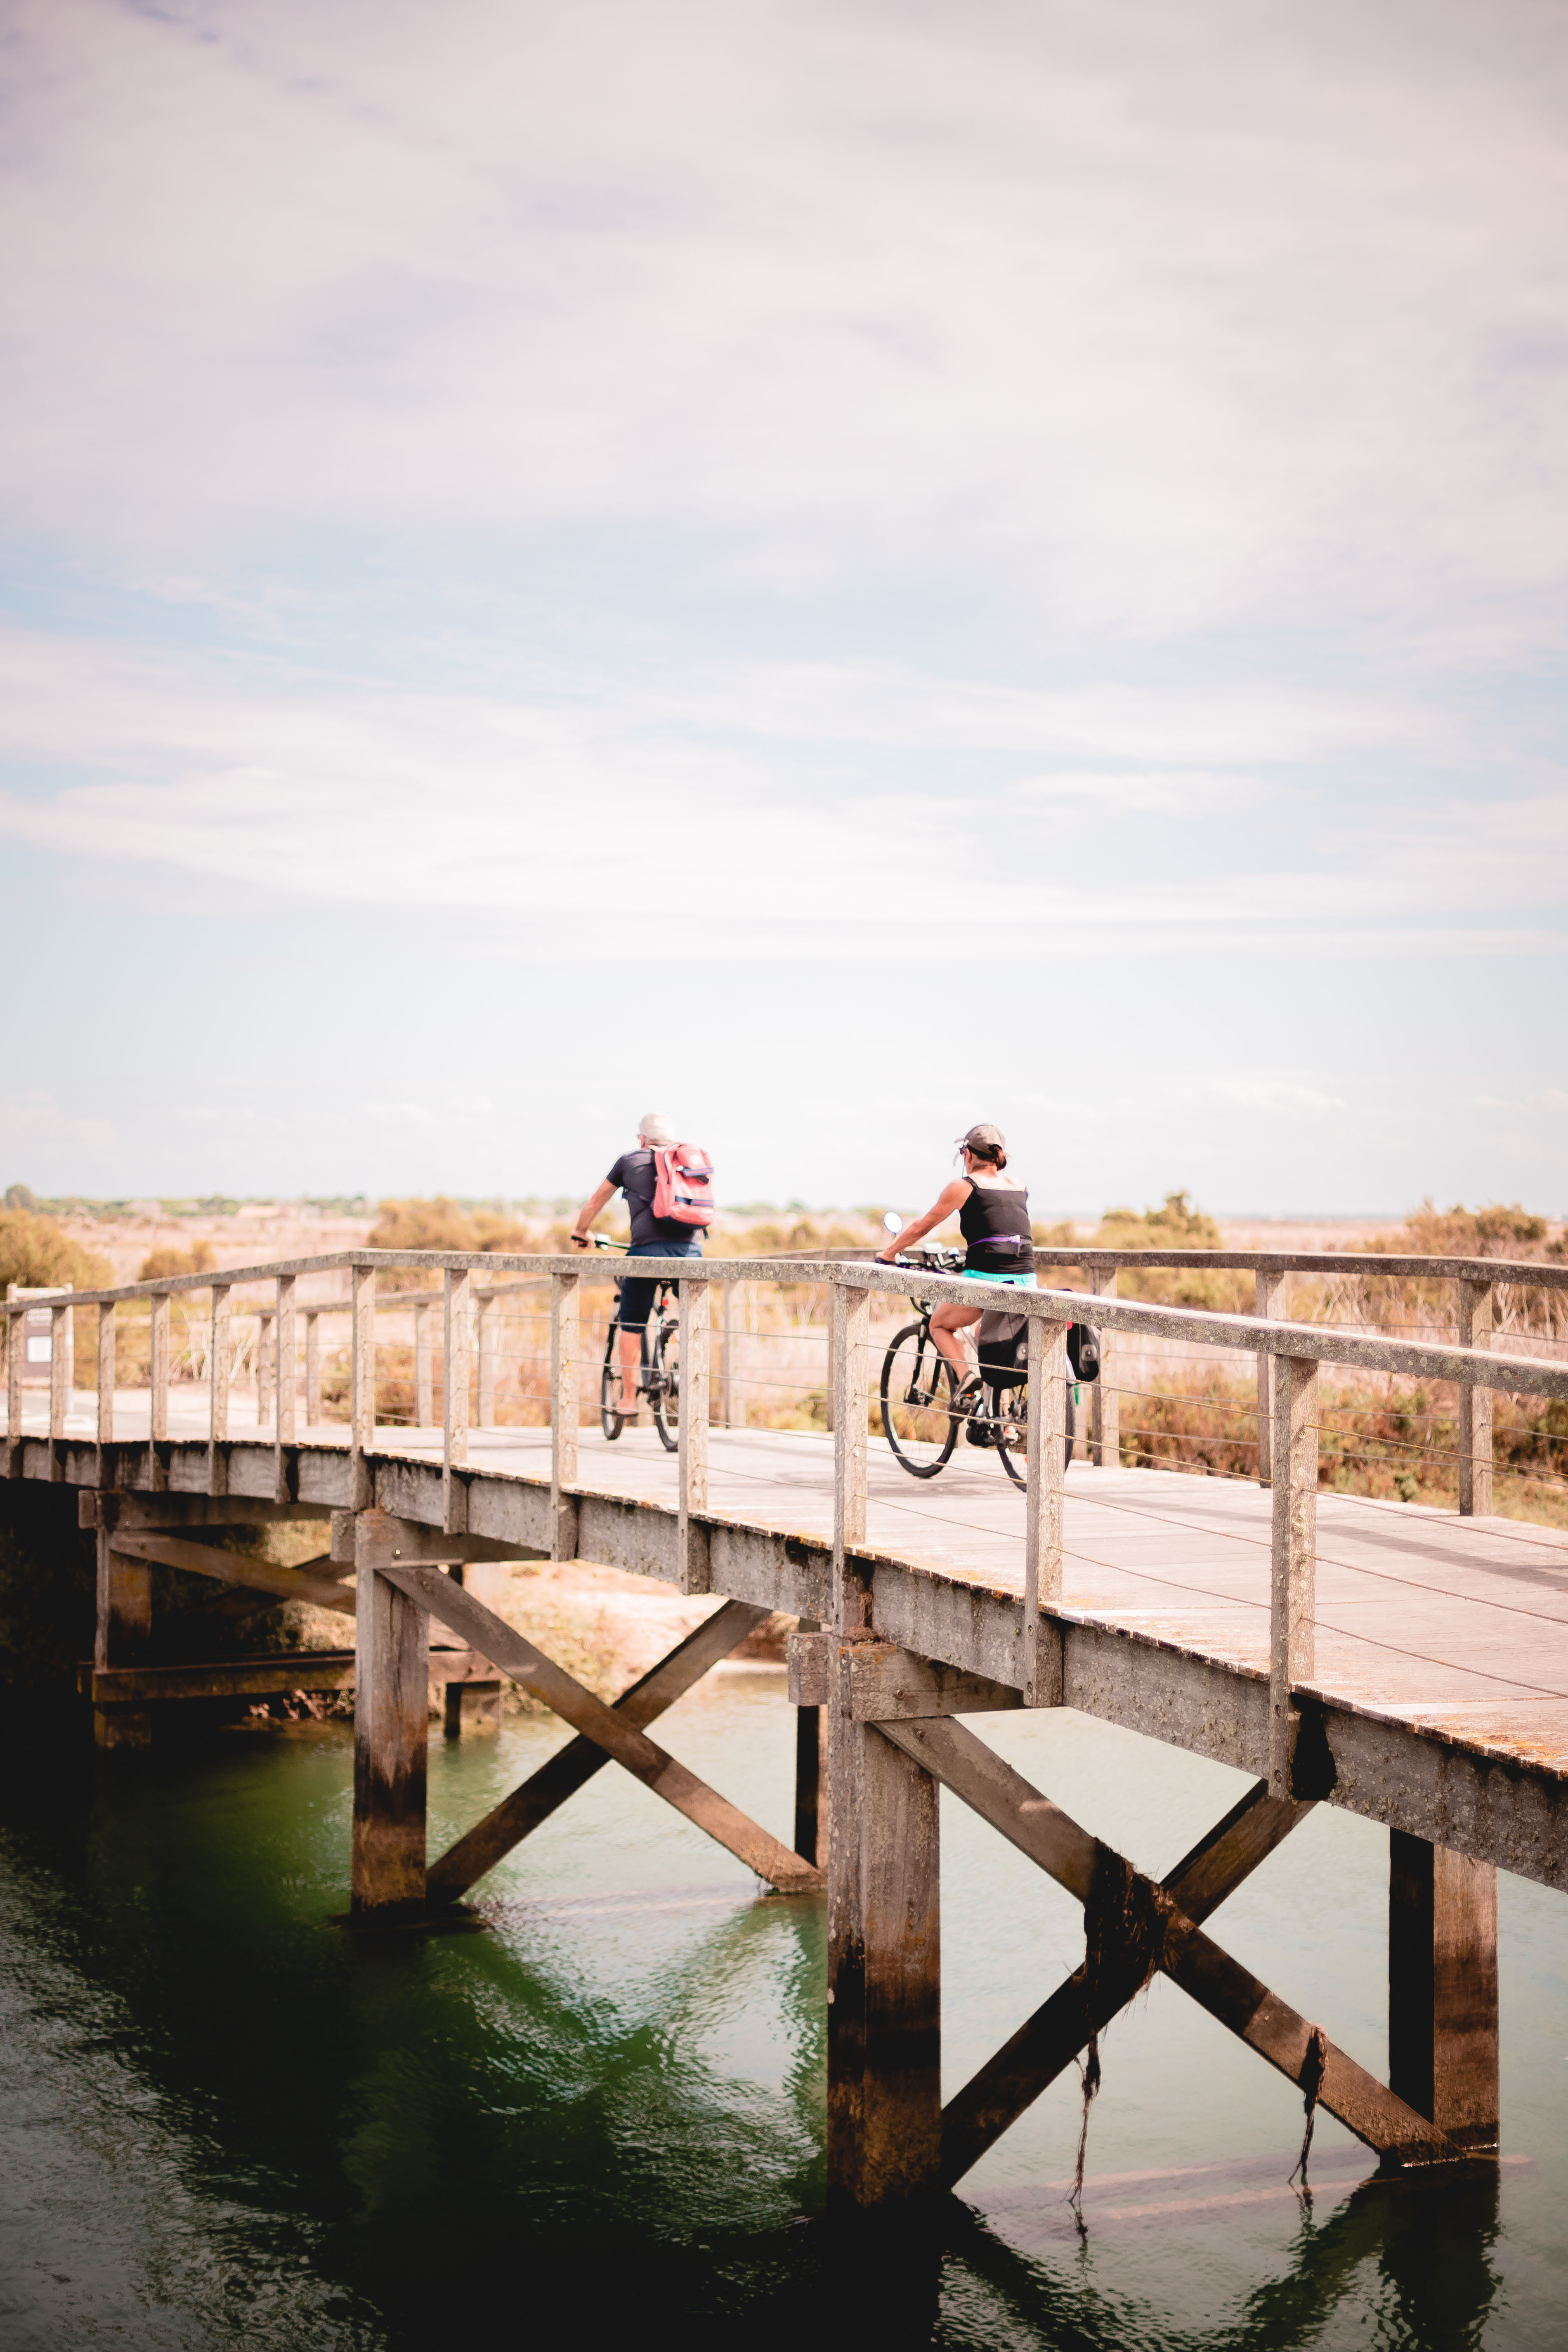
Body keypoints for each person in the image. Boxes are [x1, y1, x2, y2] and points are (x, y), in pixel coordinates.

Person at [875, 1122, 1035, 1385]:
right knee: (993, 1339)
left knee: (938, 1325)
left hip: (985, 1280)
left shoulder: (964, 1186)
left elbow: (922, 1227)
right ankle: (1007, 1423)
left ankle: (967, 1379)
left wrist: (889, 1253)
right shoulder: (1019, 1186)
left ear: (969, 1154)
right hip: (1027, 1280)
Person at [570, 1113, 703, 1421]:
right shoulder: (689, 1160)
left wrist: (581, 1233)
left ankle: (629, 1399)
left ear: (642, 1139)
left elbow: (595, 1202)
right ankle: (696, 1383)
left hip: (646, 1255)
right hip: (691, 1255)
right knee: (696, 1321)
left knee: (632, 1323)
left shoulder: (630, 1161)